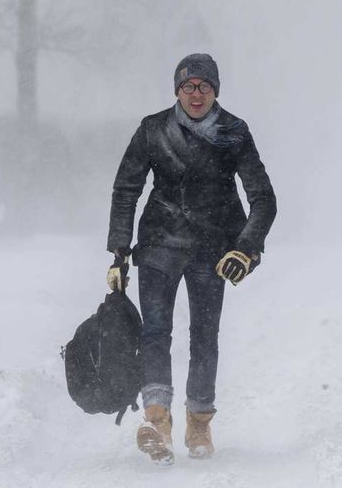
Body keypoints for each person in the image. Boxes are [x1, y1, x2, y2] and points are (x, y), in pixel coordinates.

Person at [106, 53, 276, 465]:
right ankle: (157, 420)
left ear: (215, 89)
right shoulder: (152, 129)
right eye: (187, 86)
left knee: (204, 337)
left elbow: (263, 198)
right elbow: (126, 189)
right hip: (160, 244)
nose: (195, 94)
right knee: (155, 333)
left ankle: (199, 421)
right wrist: (119, 252)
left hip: (212, 249)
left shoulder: (234, 132)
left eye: (203, 86)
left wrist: (245, 247)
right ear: (176, 90)